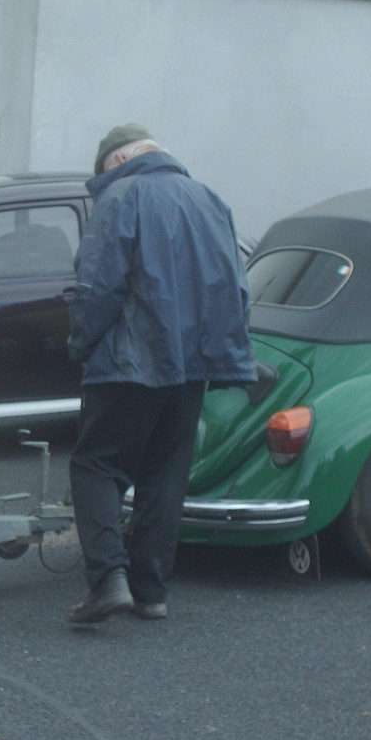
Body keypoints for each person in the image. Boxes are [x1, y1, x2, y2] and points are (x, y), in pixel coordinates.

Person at [64, 124, 255, 624]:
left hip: (128, 364)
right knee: (166, 476)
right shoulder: (209, 200)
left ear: (117, 159)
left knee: (95, 467)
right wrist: (225, 357)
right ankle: (151, 591)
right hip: (191, 368)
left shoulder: (122, 194)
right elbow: (235, 289)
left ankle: (108, 580)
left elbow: (96, 282)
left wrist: (81, 343)